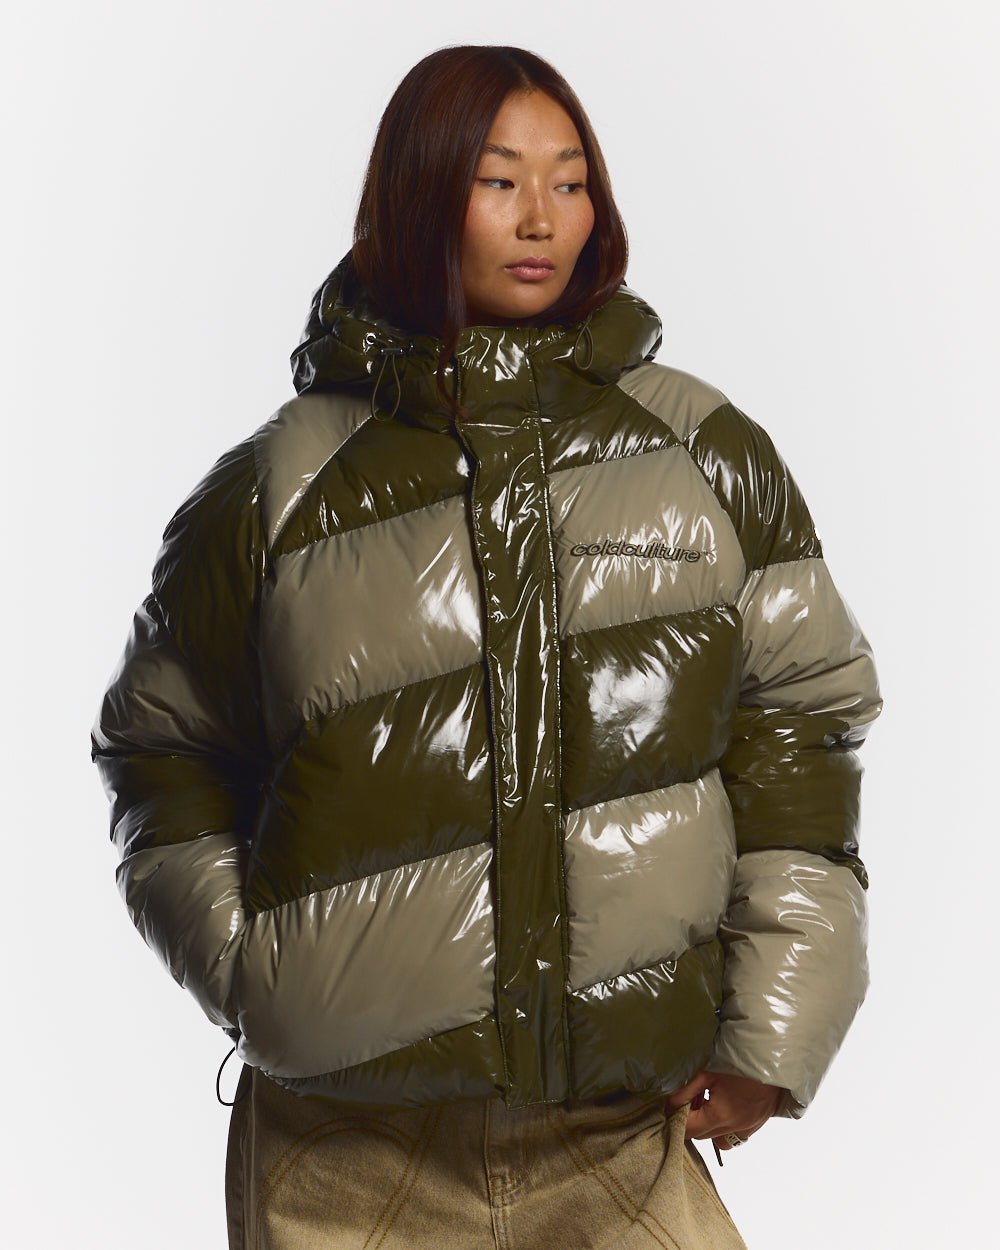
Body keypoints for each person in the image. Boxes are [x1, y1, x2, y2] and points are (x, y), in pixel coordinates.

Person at [91, 44, 882, 1250]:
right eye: (499, 179)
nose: (541, 217)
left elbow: (799, 734)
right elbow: (162, 750)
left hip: (618, 1134)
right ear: (419, 195)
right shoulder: (276, 487)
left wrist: (773, 1027)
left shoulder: (705, 452)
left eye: (570, 180)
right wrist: (252, 970)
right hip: (346, 1155)